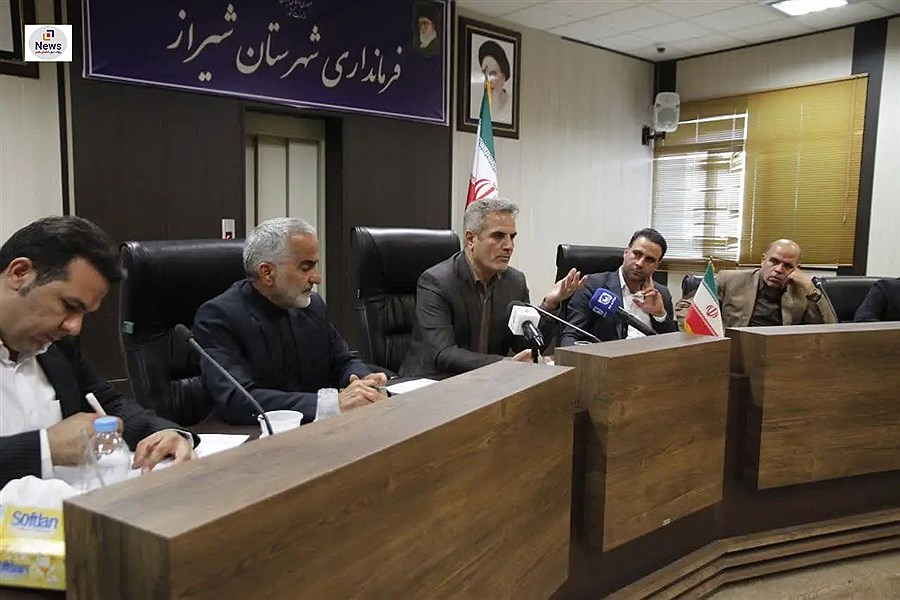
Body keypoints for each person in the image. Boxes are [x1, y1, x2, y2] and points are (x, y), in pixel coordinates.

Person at [0, 216, 195, 488]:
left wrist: (163, 432)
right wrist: (46, 447)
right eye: (69, 305)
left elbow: (108, 404)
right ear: (19, 273)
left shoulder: (57, 346)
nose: (74, 327)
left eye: (84, 313)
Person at [193, 218, 387, 425]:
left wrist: (363, 382)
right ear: (267, 272)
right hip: (256, 435)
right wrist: (330, 403)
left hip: (317, 430)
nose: (317, 278)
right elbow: (237, 399)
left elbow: (343, 362)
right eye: (305, 267)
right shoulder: (218, 316)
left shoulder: (312, 306)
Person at [400, 198, 585, 377]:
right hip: (431, 382)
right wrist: (505, 364)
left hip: (487, 382)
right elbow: (444, 354)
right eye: (498, 236)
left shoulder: (515, 282)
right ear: (471, 239)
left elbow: (523, 346)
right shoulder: (437, 282)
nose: (509, 246)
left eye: (512, 237)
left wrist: (549, 305)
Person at [675, 238, 838, 328]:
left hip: (779, 357)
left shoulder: (802, 291)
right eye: (774, 261)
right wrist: (702, 337)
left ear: (797, 268)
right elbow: (685, 306)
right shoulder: (730, 280)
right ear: (763, 260)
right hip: (734, 354)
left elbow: (830, 329)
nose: (778, 269)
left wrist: (810, 287)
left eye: (787, 266)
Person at [560, 228, 678, 345]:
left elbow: (672, 345)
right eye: (637, 254)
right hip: (607, 355)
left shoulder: (661, 294)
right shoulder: (593, 286)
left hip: (649, 355)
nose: (640, 263)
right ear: (626, 252)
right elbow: (572, 336)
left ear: (657, 265)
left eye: (649, 260)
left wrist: (659, 315)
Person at [477, 40, 511, 123]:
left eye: (492, 74)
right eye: (484, 74)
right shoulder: (480, 106)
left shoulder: (509, 104)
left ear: (503, 77)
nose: (488, 80)